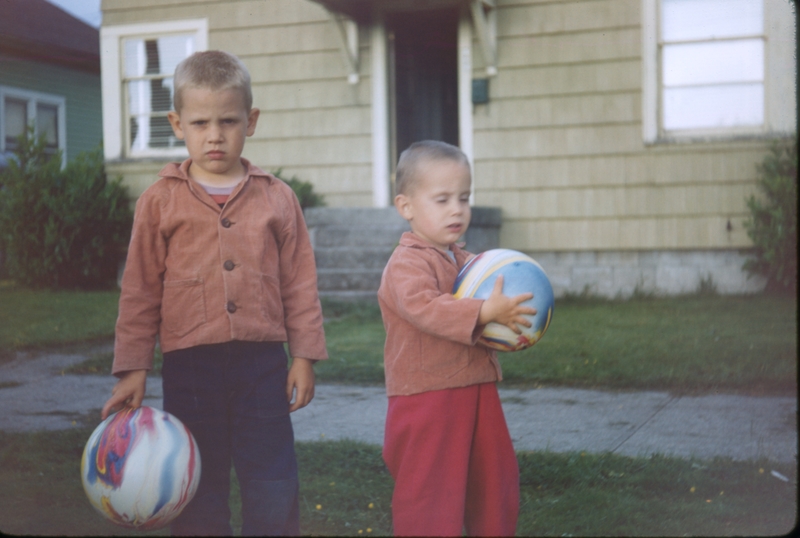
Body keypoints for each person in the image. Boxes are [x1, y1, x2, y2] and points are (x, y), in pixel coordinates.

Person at [101, 50, 327, 536]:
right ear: (177, 123)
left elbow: (300, 282)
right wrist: (133, 368)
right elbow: (139, 290)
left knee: (272, 478)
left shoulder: (276, 197)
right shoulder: (159, 201)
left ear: (252, 120)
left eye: (229, 120)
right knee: (199, 485)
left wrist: (304, 356)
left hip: (262, 364)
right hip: (191, 367)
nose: (215, 134)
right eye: (200, 122)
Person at [378, 140, 535, 536]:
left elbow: (485, 313)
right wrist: (484, 313)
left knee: (494, 482)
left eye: (464, 198)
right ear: (406, 206)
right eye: (442, 199)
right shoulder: (407, 263)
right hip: (427, 398)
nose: (457, 210)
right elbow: (425, 307)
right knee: (430, 494)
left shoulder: (467, 261)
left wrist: (506, 330)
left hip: (477, 390)